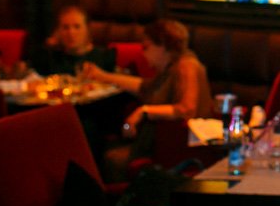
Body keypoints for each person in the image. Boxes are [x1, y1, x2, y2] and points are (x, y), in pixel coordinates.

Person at [81, 19, 212, 136]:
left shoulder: (186, 65)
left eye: (146, 47)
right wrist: (102, 76)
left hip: (181, 145)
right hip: (164, 140)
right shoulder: (168, 68)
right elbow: (144, 86)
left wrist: (144, 111)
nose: (143, 53)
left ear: (163, 46)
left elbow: (187, 109)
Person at [30, 5, 116, 76]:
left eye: (77, 27)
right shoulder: (50, 58)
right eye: (65, 27)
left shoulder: (105, 58)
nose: (71, 33)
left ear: (87, 29)